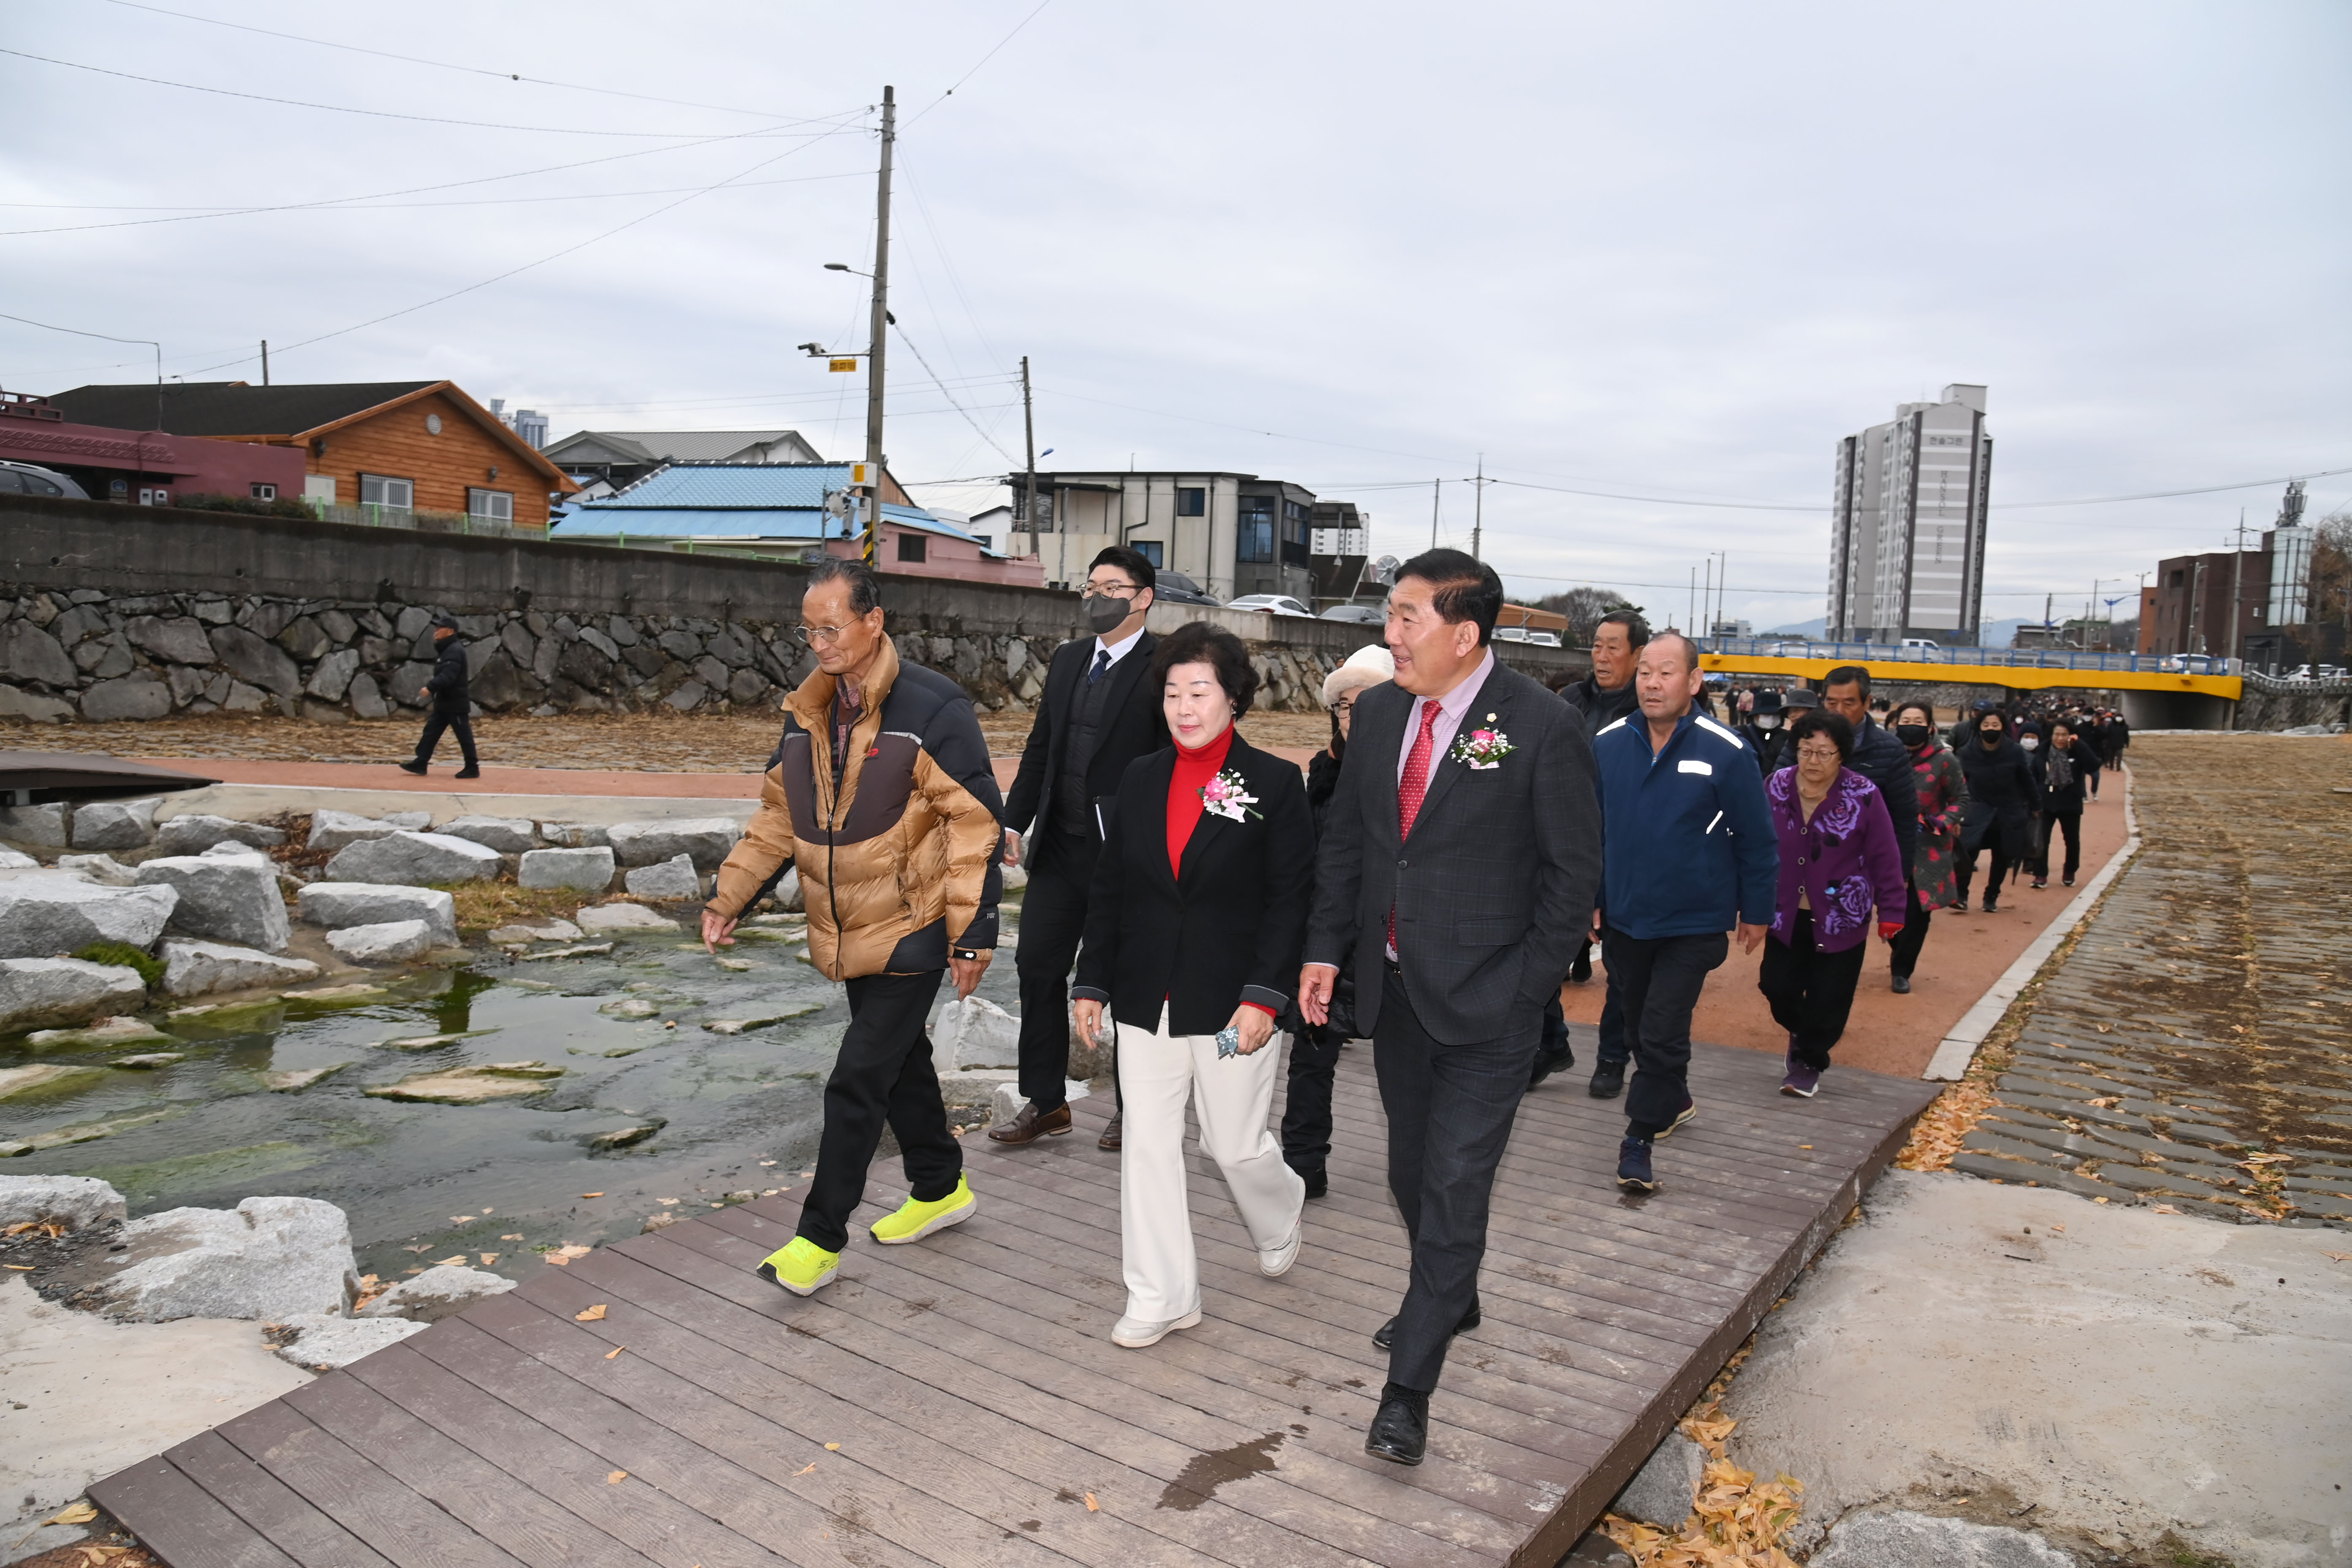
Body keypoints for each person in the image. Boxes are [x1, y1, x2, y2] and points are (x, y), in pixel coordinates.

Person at [1298, 548, 1600, 1467]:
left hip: (1491, 1007)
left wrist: (1524, 989)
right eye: (1388, 614)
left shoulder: (1543, 728)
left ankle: (1408, 1392)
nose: (1388, 634)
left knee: (1456, 1185)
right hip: (1394, 997)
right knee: (1406, 1173)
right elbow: (1349, 842)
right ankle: (1452, 1287)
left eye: (1406, 617)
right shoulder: (1383, 710)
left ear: (1465, 634)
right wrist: (1323, 949)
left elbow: (1572, 878)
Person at [702, 557, 1005, 1297]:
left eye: (831, 626)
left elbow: (975, 823)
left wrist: (974, 932)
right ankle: (938, 1187)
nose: (819, 642)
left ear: (874, 620)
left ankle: (818, 1238)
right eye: (809, 630)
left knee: (856, 1079)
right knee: (899, 1064)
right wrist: (729, 895)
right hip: (845, 930)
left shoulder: (933, 708)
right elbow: (778, 817)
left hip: (913, 926)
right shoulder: (807, 712)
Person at [1070, 622, 1315, 1349]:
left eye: (1199, 690)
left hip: (1231, 997)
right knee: (1147, 1142)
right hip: (1147, 993)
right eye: (1173, 691)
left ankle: (1281, 1206)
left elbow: (1288, 898)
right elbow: (1111, 889)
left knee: (1231, 1146)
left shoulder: (1274, 782)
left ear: (1232, 698)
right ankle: (1162, 1294)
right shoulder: (1140, 779)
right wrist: (1092, 981)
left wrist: (1265, 996)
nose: (1184, 705)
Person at [993, 547, 1167, 1154]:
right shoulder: (1069, 660)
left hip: (1127, 861)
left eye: (1111, 587)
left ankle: (1135, 1106)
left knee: (1125, 982)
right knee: (1037, 968)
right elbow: (1042, 748)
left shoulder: (1164, 667)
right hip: (1059, 851)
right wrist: (1014, 823)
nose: (1097, 598)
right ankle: (1045, 1102)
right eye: (1090, 587)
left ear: (1143, 597)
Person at [1589, 632, 1776, 1192]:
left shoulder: (1727, 750)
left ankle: (1638, 1139)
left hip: (1694, 920)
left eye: (1666, 672)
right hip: (1625, 918)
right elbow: (1591, 833)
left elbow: (1757, 839)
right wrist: (1589, 898)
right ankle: (1675, 1097)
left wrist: (1758, 909)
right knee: (1643, 1029)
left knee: (1663, 1029)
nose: (1652, 682)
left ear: (1693, 682)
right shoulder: (1607, 744)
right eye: (1645, 671)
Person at [1282, 642, 1395, 1199]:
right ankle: (1304, 1163)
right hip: (1328, 938)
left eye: (1367, 701)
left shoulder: (1413, 773)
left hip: (1391, 942)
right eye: (1345, 705)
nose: (1355, 714)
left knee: (1404, 1064)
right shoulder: (1322, 774)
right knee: (1310, 1057)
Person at [1757, 710, 1908, 1096]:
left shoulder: (1863, 794)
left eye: (1825, 753)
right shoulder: (1775, 786)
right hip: (1784, 912)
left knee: (1830, 997)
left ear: (1842, 755)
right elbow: (1754, 846)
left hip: (1843, 915)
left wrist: (1892, 911)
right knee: (1777, 987)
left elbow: (1885, 856)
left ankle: (1808, 1061)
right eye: (1806, 751)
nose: (1813, 762)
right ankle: (1802, 1033)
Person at [1557, 608, 1647, 1083]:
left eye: (1615, 647)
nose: (1603, 655)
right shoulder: (1571, 700)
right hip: (1565, 842)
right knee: (1537, 953)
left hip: (1624, 851)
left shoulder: (1651, 709)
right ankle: (1547, 1043)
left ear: (1637, 654)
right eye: (1597, 645)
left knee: (1623, 967)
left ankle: (1613, 1056)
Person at [1887, 700, 1968, 991]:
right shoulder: (1887, 755)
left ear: (1930, 726)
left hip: (1927, 847)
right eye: (1905, 720)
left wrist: (1942, 821)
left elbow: (1962, 798)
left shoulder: (1945, 760)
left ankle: (1902, 969)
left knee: (1918, 911)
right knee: (1887, 905)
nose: (1911, 726)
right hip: (1887, 843)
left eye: (1918, 721)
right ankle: (1896, 944)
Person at [1817, 667, 1919, 874]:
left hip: (1862, 868)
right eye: (1831, 702)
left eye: (1849, 703)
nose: (1838, 711)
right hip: (1808, 862)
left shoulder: (1891, 750)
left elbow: (1905, 818)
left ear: (1867, 702)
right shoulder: (1802, 743)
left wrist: (1901, 873)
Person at [1955, 709, 2036, 913]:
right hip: (1978, 810)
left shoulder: (2015, 751)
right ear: (1979, 728)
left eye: (1995, 725)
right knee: (1968, 852)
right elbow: (1959, 783)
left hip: (2007, 812)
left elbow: (2027, 781)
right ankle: (1961, 894)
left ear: (2003, 728)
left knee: (2002, 857)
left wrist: (2036, 806)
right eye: (1986, 725)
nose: (1990, 729)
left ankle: (1991, 896)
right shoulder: (1968, 752)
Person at [398, 617, 480, 779]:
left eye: (440, 628)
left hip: (455, 703)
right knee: (431, 732)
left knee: (464, 736)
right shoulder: (447, 650)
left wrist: (430, 687)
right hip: (445, 703)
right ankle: (421, 763)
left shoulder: (454, 650)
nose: (436, 631)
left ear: (451, 632)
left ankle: (472, 767)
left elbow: (449, 676)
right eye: (436, 628)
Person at [2025, 718, 2101, 888]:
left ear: (2070, 735)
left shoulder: (2077, 751)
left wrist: (2079, 745)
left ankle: (2070, 870)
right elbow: (2033, 775)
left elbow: (2093, 766)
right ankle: (2040, 874)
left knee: (2072, 840)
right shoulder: (2043, 751)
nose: (2060, 738)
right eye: (2057, 734)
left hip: (2070, 803)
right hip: (2045, 802)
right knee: (2041, 839)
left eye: (2064, 735)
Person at [1741, 688, 1793, 776]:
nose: (1772, 719)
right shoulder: (1741, 734)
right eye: (1766, 715)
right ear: (1755, 716)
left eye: (1775, 715)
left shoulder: (1786, 737)